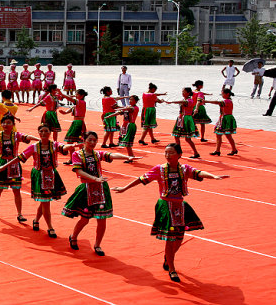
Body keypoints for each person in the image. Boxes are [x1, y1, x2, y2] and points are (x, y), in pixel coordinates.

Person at [112, 143, 228, 282]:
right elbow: (141, 179)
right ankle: (172, 269)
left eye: (171, 152)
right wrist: (125, 188)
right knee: (170, 237)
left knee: (179, 237)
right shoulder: (160, 169)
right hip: (166, 205)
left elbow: (198, 173)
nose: (167, 155)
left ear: (179, 155)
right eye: (166, 153)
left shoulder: (184, 169)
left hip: (179, 205)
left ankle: (168, 258)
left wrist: (213, 176)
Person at [62, 131, 138, 256]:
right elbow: (78, 171)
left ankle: (97, 245)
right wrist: (95, 179)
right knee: (85, 218)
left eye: (94, 140)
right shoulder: (77, 154)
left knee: (102, 219)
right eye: (90, 140)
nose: (92, 143)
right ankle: (73, 236)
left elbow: (112, 155)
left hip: (101, 189)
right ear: (84, 140)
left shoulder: (97, 154)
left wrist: (128, 157)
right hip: (87, 189)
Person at [0, 124, 76, 237]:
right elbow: (19, 158)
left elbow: (63, 148)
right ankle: (50, 227)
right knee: (46, 201)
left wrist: (72, 145)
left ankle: (36, 220)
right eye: (42, 131)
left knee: (45, 201)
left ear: (50, 133)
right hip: (39, 175)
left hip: (52, 174)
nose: (44, 133)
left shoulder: (54, 145)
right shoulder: (34, 147)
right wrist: (4, 166)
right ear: (39, 133)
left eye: (46, 131)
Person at [165, 87, 200, 158]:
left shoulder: (189, 100)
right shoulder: (185, 100)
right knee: (177, 136)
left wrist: (171, 102)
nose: (182, 93)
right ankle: (179, 152)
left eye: (184, 92)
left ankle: (195, 152)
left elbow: (182, 102)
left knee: (187, 138)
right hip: (182, 118)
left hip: (186, 119)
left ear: (188, 93)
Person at [205, 89, 238, 156]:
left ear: (227, 94)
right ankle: (219, 150)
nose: (222, 95)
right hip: (224, 118)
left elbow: (217, 102)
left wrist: (206, 101)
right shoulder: (228, 101)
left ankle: (231, 149)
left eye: (223, 94)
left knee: (225, 135)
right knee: (222, 135)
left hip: (226, 119)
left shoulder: (227, 101)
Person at [109, 95, 140, 162]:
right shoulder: (128, 107)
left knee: (127, 143)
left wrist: (118, 107)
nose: (130, 101)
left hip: (130, 125)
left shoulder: (135, 108)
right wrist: (109, 116)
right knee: (127, 143)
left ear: (136, 101)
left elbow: (127, 109)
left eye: (132, 100)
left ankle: (131, 157)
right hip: (125, 126)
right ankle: (131, 156)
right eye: (130, 99)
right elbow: (120, 112)